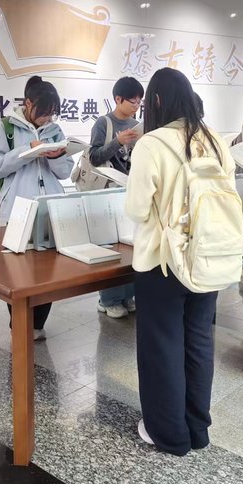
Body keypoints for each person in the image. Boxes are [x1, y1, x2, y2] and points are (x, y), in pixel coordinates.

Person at [125, 67, 236, 456]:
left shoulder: (151, 144)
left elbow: (137, 210)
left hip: (163, 260)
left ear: (156, 100)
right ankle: (196, 430)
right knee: (199, 340)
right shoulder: (215, 139)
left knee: (162, 346)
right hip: (207, 255)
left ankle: (168, 434)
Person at [0, 76, 74, 340]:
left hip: (50, 209)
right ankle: (19, 323)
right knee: (16, 272)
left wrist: (56, 157)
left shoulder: (54, 130)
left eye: (52, 113)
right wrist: (27, 151)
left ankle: (37, 324)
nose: (47, 118)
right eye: (43, 112)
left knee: (48, 273)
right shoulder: (6, 127)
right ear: (28, 103)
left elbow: (65, 172)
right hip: (18, 209)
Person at [89, 76, 143, 318]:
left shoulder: (137, 125)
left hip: (130, 191)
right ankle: (108, 299)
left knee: (130, 245)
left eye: (139, 102)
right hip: (107, 192)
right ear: (118, 99)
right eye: (132, 101)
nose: (136, 106)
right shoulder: (103, 123)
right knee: (111, 247)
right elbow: (94, 157)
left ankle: (127, 295)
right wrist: (117, 142)